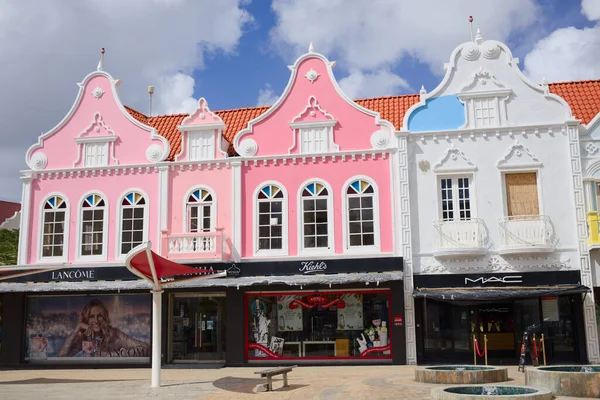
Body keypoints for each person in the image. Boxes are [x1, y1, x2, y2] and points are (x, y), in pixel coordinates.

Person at [58, 299, 149, 357]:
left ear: (105, 317)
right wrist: (77, 329)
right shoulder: (82, 337)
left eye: (99, 316)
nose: (96, 320)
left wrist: (112, 355)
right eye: (91, 316)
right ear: (86, 319)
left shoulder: (115, 334)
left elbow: (146, 348)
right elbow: (61, 357)